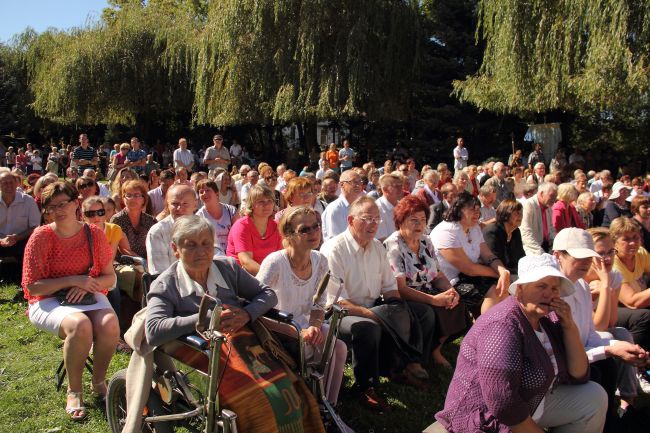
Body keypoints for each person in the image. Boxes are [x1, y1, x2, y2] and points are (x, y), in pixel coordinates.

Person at [144, 215, 325, 433]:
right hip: (201, 352)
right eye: (190, 245)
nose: (201, 252)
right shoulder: (166, 284)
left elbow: (267, 294)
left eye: (206, 244)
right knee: (256, 399)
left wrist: (247, 314)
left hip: (244, 343)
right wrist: (205, 319)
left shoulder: (227, 268)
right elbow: (153, 330)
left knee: (286, 389)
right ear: (175, 249)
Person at [435, 254, 607, 433]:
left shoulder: (549, 318)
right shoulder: (502, 325)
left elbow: (579, 374)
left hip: (529, 403)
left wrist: (569, 326)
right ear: (520, 290)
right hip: (486, 419)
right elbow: (502, 401)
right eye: (541, 286)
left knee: (593, 397)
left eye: (555, 288)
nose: (549, 294)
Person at [321, 196, 435, 411]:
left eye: (377, 219)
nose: (373, 224)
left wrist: (398, 310)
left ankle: (405, 365)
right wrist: (378, 315)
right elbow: (337, 301)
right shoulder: (334, 249)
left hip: (374, 306)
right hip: (340, 313)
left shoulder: (377, 247)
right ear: (350, 220)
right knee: (367, 327)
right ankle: (365, 387)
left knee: (423, 313)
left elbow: (391, 288)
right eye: (367, 219)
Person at [22, 182, 119, 421]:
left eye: (63, 203)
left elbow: (110, 278)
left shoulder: (94, 233)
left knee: (109, 323)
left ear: (76, 203)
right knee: (80, 325)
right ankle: (74, 390)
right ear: (45, 211)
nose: (58, 210)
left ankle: (98, 381)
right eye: (51, 207)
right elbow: (33, 286)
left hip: (86, 294)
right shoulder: (41, 236)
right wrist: (74, 280)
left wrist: (84, 284)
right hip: (47, 300)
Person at [553, 227, 649, 431]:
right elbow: (562, 352)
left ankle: (613, 418)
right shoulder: (551, 291)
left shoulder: (581, 286)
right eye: (580, 256)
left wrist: (622, 347)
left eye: (591, 256)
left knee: (610, 360)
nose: (588, 262)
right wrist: (610, 349)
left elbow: (590, 335)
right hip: (555, 369)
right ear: (558, 256)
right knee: (599, 370)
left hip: (576, 357)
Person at [257, 206, 348, 405]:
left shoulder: (320, 260)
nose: (314, 233)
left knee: (339, 348)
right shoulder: (275, 263)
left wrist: (314, 325)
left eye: (315, 226)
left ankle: (328, 405)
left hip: (306, 325)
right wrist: (297, 331)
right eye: (304, 229)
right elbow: (256, 310)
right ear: (289, 234)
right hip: (277, 329)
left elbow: (319, 304)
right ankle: (312, 402)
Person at [384, 195, 468, 369]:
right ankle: (428, 353)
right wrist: (434, 300)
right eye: (413, 220)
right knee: (432, 309)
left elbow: (437, 275)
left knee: (457, 303)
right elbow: (400, 288)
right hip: (405, 296)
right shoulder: (393, 245)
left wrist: (450, 290)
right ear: (400, 221)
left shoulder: (426, 240)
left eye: (423, 220)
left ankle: (436, 347)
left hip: (429, 289)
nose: (419, 225)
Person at [430, 192, 510, 315]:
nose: (477, 213)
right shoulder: (446, 231)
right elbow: (469, 269)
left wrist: (503, 271)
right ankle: (486, 331)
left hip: (473, 277)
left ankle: (501, 328)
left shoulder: (474, 228)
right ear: (459, 209)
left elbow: (488, 256)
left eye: (478, 209)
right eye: (472, 209)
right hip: (450, 282)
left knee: (503, 288)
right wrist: (497, 274)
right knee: (495, 290)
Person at [226, 185, 282, 276]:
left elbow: (281, 257)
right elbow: (246, 262)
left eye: (270, 201)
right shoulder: (242, 226)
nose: (266, 205)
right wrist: (271, 277)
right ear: (251, 205)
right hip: (241, 277)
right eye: (261, 202)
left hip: (269, 276)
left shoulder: (277, 226)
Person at [146, 184, 198, 274]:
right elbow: (160, 274)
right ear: (168, 205)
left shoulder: (205, 228)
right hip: (174, 285)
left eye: (185, 203)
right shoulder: (158, 232)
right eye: (175, 203)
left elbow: (216, 257)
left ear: (195, 205)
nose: (179, 208)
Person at [0, 170, 40, 280]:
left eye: (11, 182)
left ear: (17, 183)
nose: (8, 186)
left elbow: (35, 226)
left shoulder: (28, 201)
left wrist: (17, 237)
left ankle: (27, 278)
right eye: (4, 183)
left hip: (21, 239)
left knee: (31, 245)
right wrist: (1, 239)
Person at [110, 180, 157, 260]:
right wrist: (143, 262)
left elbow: (156, 246)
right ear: (123, 198)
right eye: (128, 195)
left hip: (150, 262)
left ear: (143, 199)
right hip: (125, 263)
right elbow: (123, 250)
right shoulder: (117, 220)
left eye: (136, 195)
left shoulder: (151, 221)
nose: (132, 199)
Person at [482, 199, 525, 278]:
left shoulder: (516, 232)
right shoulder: (492, 231)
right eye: (517, 213)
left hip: (513, 272)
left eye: (521, 213)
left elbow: (521, 257)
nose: (520, 216)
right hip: (494, 275)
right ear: (506, 214)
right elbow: (494, 262)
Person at [195, 179, 238, 257]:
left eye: (208, 190)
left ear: (217, 193)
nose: (204, 193)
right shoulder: (199, 216)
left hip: (233, 253)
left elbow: (238, 235)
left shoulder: (231, 211)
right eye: (201, 192)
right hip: (213, 256)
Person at [321, 169, 364, 241]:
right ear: (341, 185)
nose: (358, 185)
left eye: (360, 182)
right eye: (353, 182)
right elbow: (336, 242)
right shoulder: (335, 209)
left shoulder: (361, 206)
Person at [521, 182, 558, 255]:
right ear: (541, 194)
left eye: (555, 197)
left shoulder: (548, 207)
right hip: (532, 249)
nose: (554, 200)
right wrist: (541, 253)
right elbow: (526, 233)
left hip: (546, 245)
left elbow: (551, 230)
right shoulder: (529, 205)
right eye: (552, 196)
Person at [375, 173, 404, 241]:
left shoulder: (401, 205)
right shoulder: (377, 209)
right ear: (385, 189)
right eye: (396, 186)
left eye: (401, 185)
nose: (401, 189)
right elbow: (381, 240)